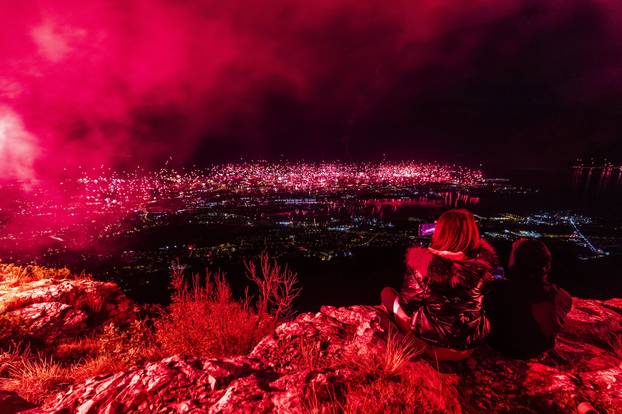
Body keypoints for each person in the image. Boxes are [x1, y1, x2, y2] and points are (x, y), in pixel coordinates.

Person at [381, 209, 498, 361]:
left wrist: (433, 253)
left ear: (440, 232)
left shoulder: (424, 265)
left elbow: (408, 305)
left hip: (434, 349)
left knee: (387, 293)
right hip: (468, 347)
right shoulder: (483, 266)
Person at [484, 238, 572, 358]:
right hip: (539, 349)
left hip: (500, 347)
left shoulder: (499, 292)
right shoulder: (562, 297)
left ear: (516, 264)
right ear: (548, 266)